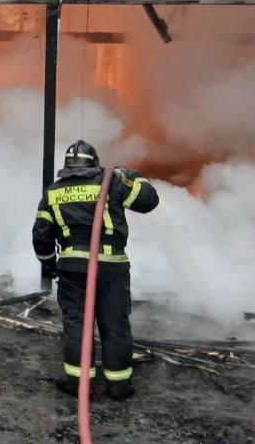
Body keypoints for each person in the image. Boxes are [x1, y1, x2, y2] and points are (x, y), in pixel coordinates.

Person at [32, 140, 159, 401]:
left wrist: (49, 264)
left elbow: (41, 235)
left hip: (72, 269)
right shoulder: (110, 182)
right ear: (95, 163)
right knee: (115, 324)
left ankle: (79, 385)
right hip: (111, 268)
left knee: (77, 325)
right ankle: (119, 387)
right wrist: (131, 175)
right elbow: (149, 201)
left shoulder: (53, 192)